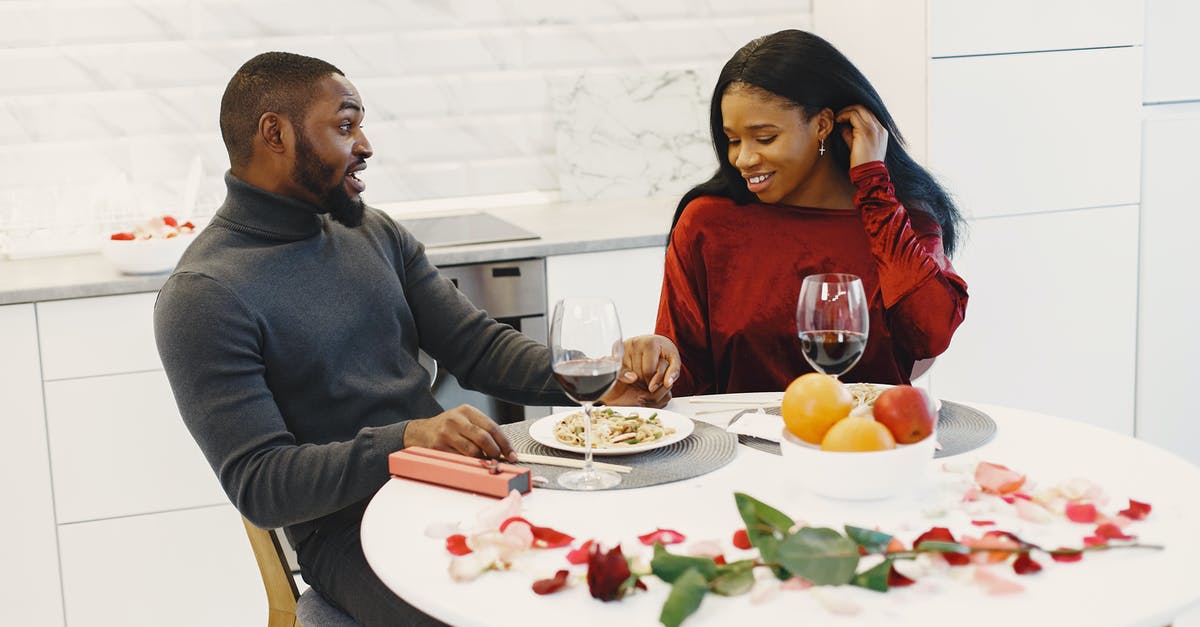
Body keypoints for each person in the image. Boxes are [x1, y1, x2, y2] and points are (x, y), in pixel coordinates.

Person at [153, 51, 680, 626]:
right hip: (347, 531)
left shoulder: (371, 230)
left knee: (622, 577)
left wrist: (604, 375)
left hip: (455, 487)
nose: (366, 144)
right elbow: (261, 484)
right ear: (274, 133)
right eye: (346, 125)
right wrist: (408, 439)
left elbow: (478, 347)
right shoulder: (204, 293)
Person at [655, 29, 969, 395]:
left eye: (765, 137)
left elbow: (929, 334)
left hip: (866, 444)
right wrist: (652, 368)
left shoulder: (898, 219)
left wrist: (873, 185)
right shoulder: (708, 223)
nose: (743, 159)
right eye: (733, 140)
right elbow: (683, 379)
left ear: (822, 125)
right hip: (739, 448)